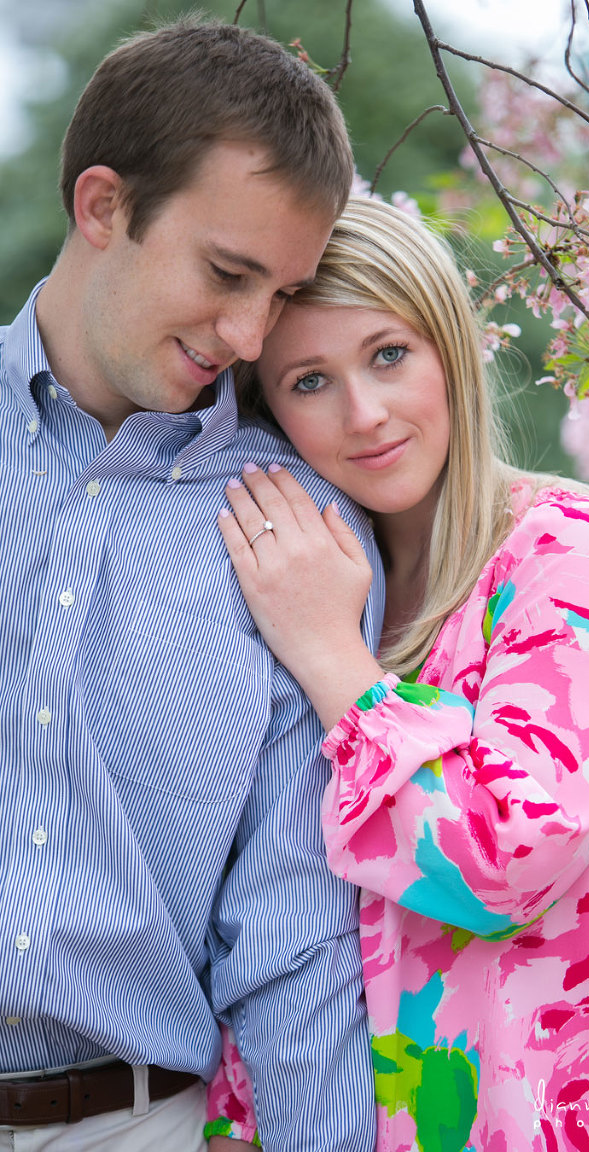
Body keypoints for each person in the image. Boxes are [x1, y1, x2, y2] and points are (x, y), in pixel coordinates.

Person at [210, 196, 589, 1150]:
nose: (365, 414)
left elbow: (511, 861)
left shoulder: (583, 558)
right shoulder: (290, 575)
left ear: (452, 349)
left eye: (389, 355)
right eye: (310, 380)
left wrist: (331, 659)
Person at [0, 19, 382, 1152]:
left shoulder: (297, 536)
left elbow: (295, 939)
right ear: (104, 206)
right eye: (227, 274)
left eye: (282, 292)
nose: (249, 333)